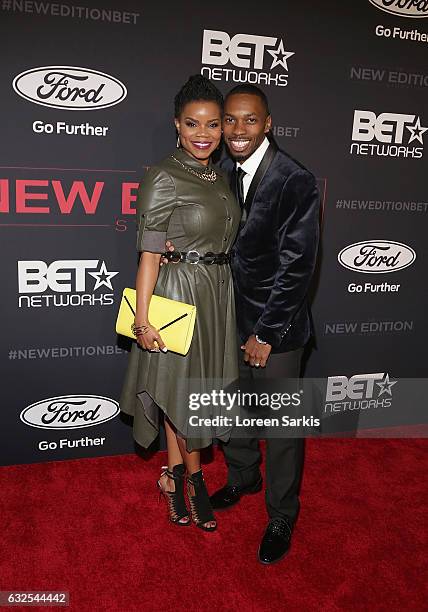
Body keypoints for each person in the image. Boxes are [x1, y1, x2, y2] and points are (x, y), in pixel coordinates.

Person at [119, 75, 241, 532]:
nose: (204, 134)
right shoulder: (163, 176)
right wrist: (143, 320)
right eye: (193, 124)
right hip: (180, 293)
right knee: (181, 393)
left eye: (213, 124)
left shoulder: (219, 175)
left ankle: (172, 478)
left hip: (216, 293)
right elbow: (149, 254)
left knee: (192, 392)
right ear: (177, 124)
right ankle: (195, 478)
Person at [209, 84, 320, 563]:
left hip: (277, 330)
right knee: (235, 414)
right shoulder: (222, 173)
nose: (237, 130)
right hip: (229, 321)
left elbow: (298, 267)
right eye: (229, 120)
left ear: (268, 123)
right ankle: (241, 477)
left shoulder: (295, 179)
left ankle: (281, 514)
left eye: (249, 120)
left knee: (281, 429)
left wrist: (266, 335)